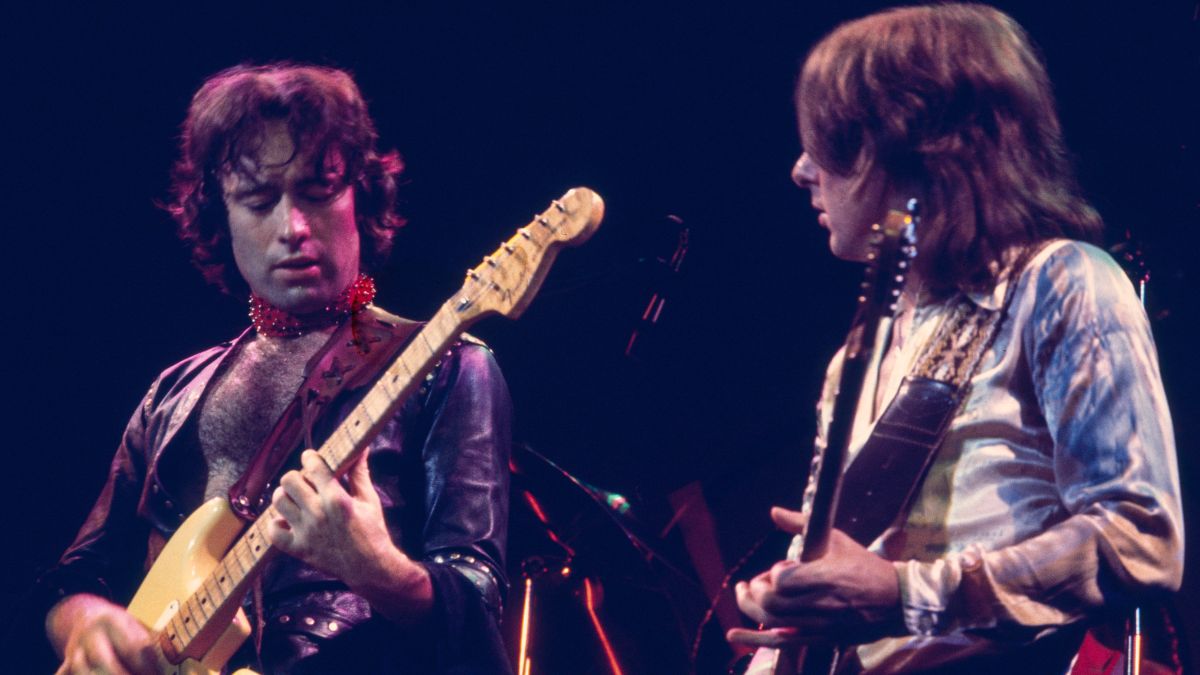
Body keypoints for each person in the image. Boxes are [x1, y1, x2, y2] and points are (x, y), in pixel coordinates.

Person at [727, 4, 1183, 673]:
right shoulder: (856, 358)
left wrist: (905, 595)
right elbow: (851, 576)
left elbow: (1140, 539)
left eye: (834, 143)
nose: (802, 170)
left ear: (921, 151)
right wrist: (796, 605)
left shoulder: (1061, 283)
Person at [37, 63, 512, 674]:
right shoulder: (172, 394)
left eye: (319, 192)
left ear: (360, 199)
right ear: (221, 217)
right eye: (260, 201)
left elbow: (480, 612)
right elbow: (75, 575)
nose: (293, 228)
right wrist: (82, 620)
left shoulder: (446, 365)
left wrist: (380, 572)